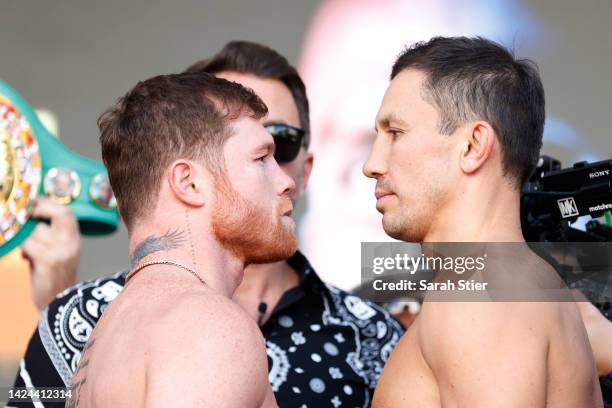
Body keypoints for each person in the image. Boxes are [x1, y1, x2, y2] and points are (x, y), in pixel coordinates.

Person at [9, 42, 403, 408]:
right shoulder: (211, 326)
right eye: (261, 156)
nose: (282, 178)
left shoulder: (109, 332)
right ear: (189, 182)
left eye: (282, 145)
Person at [364, 36, 603, 407]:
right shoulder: (521, 281)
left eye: (395, 133)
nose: (371, 165)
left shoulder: (477, 296)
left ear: (474, 145)